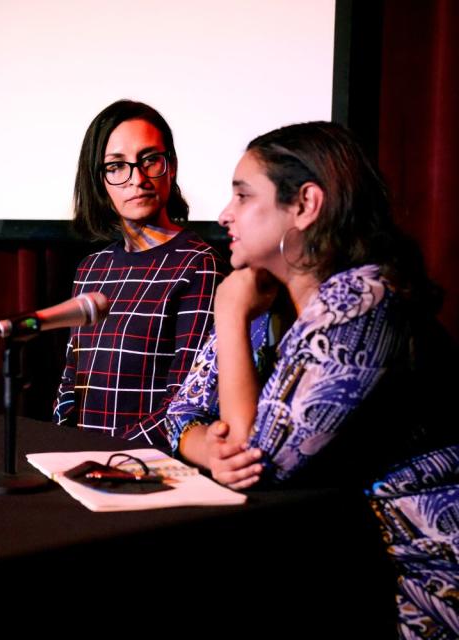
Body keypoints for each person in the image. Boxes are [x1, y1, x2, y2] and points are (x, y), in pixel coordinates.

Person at [167, 121, 458, 638]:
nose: (223, 215)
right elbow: (183, 415)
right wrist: (206, 449)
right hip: (336, 560)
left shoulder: (362, 300)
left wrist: (229, 316)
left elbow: (262, 463)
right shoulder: (263, 298)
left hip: (418, 577)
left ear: (304, 204)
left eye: (242, 196)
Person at [53, 100, 221, 446]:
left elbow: (184, 399)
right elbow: (70, 379)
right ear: (98, 179)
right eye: (117, 166)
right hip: (79, 461)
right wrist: (59, 442)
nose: (138, 179)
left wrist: (111, 455)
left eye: (150, 161)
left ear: (170, 167)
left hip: (144, 466)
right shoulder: (92, 268)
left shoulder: (197, 263)